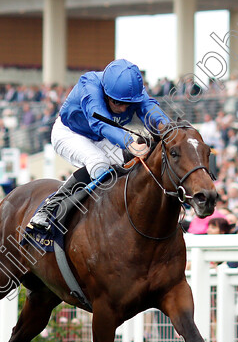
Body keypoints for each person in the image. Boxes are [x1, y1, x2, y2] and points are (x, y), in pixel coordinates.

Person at [29, 59, 171, 231]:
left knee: (132, 165)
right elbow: (101, 123)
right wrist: (129, 143)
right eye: (117, 102)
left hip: (101, 137)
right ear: (105, 91)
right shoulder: (89, 85)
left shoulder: (133, 92)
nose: (124, 109)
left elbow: (151, 110)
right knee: (99, 163)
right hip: (70, 133)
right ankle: (49, 208)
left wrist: (170, 130)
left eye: (129, 104)